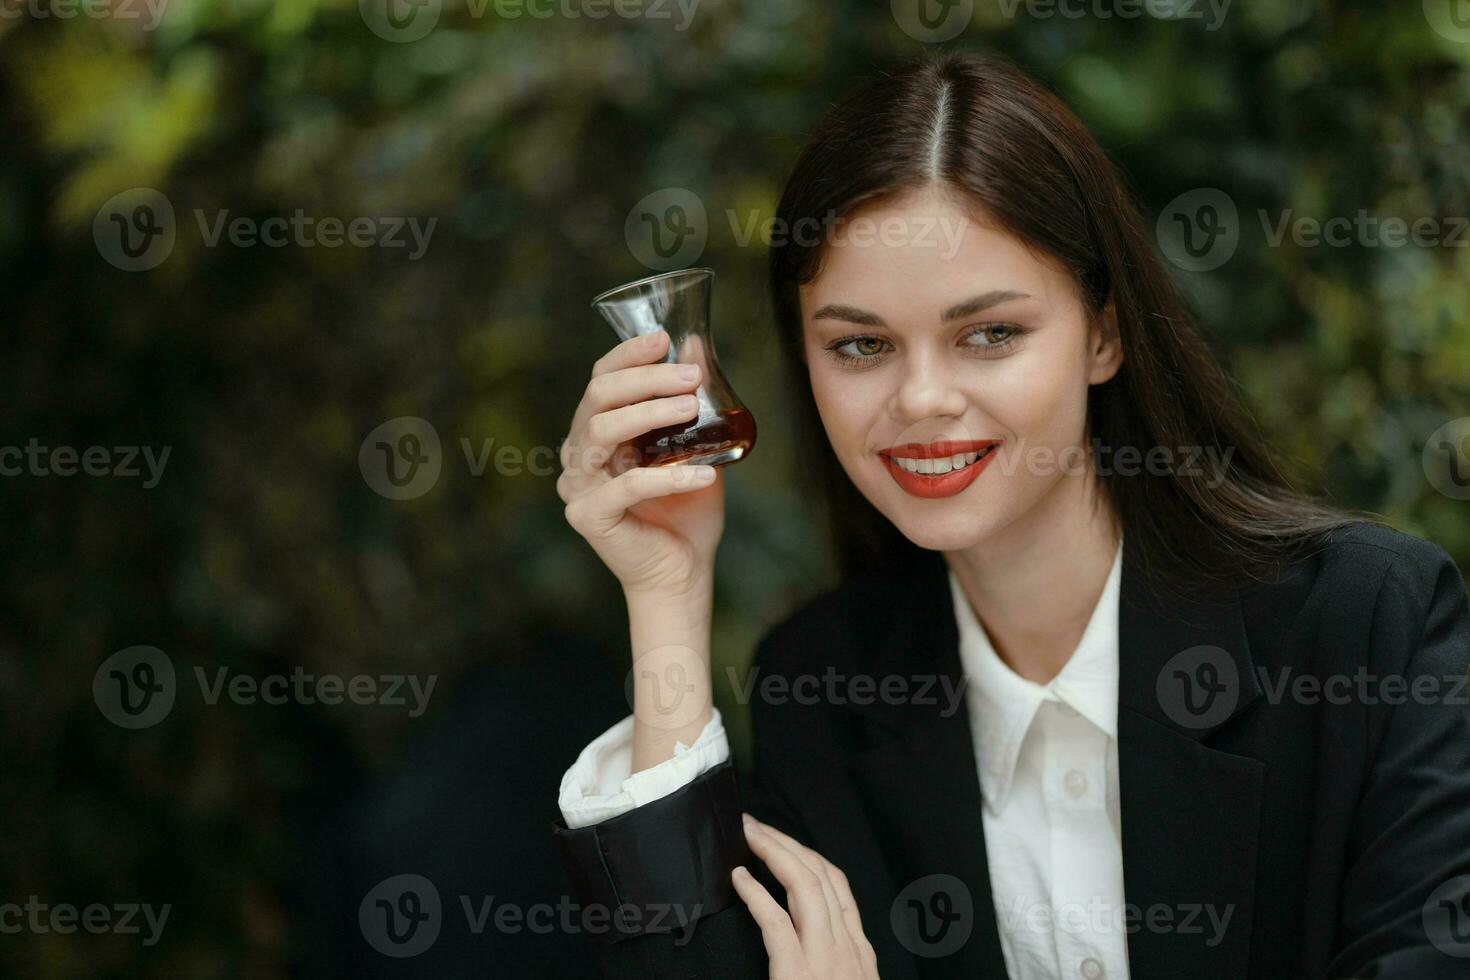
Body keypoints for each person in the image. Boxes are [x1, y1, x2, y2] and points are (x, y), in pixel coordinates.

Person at [552, 50, 1470, 979]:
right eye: (861, 344)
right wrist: (666, 590)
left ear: (1104, 334)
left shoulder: (1364, 632)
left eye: (989, 334)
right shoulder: (825, 691)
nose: (921, 398)